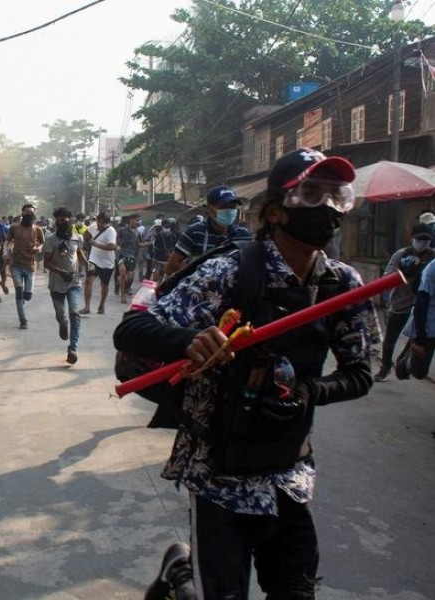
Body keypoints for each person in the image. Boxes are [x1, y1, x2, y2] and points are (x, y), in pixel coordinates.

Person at [119, 148, 379, 598]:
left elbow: (360, 373)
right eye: (311, 195)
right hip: (218, 474)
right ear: (275, 212)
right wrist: (189, 340)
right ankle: (182, 576)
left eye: (334, 195)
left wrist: (309, 391)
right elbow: (131, 329)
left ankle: (182, 572)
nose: (326, 208)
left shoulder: (341, 285)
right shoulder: (231, 271)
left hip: (290, 473)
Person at [375, 224, 435, 381]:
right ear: (412, 239)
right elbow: (386, 278)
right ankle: (385, 367)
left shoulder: (432, 259)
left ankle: (405, 359)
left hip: (422, 306)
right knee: (390, 339)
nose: (423, 243)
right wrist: (404, 273)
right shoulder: (401, 255)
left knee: (417, 337)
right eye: (420, 239)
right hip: (401, 304)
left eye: (426, 240)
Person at [164, 186, 252, 278]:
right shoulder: (194, 232)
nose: (229, 211)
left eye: (232, 207)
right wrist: (200, 271)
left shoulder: (244, 236)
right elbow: (170, 268)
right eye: (223, 207)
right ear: (209, 209)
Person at [43, 206, 88, 365]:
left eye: (64, 219)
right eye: (59, 220)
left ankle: (73, 348)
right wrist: (61, 272)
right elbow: (46, 262)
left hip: (74, 283)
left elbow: (79, 252)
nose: (61, 222)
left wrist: (87, 264)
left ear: (71, 220)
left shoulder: (78, 238)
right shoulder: (50, 240)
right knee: (61, 316)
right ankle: (62, 324)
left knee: (74, 313)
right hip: (56, 284)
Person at [395, 248, 435, 380]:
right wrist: (419, 339)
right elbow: (420, 306)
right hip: (428, 325)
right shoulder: (431, 270)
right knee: (419, 372)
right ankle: (406, 361)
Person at [5, 203, 46, 329]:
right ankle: (23, 321)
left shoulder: (37, 229)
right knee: (19, 290)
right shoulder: (14, 227)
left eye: (31, 212)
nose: (29, 214)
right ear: (22, 213)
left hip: (30, 265)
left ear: (34, 214)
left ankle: (23, 298)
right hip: (16, 264)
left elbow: (42, 242)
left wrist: (38, 248)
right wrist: (7, 252)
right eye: (26, 212)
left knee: (27, 296)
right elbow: (8, 241)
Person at [82, 211, 117, 315]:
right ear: (97, 220)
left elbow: (112, 246)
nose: (101, 225)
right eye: (99, 222)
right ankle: (87, 307)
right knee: (88, 281)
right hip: (93, 259)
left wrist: (95, 244)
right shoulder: (93, 226)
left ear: (107, 223)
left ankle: (101, 305)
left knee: (104, 285)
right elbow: (85, 235)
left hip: (107, 263)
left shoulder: (111, 231)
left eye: (103, 223)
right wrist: (86, 240)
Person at [116, 215, 141, 303]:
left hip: (132, 256)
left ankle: (121, 283)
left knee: (129, 278)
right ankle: (122, 296)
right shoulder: (121, 230)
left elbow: (138, 244)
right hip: (122, 255)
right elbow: (115, 241)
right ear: (131, 220)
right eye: (136, 220)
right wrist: (117, 246)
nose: (138, 222)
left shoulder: (138, 232)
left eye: (139, 220)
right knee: (123, 274)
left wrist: (148, 243)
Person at [150, 218, 179, 284]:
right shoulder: (173, 235)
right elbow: (175, 247)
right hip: (167, 259)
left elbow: (154, 247)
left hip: (160, 259)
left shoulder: (158, 235)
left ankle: (155, 287)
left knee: (156, 276)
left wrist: (154, 258)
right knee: (162, 276)